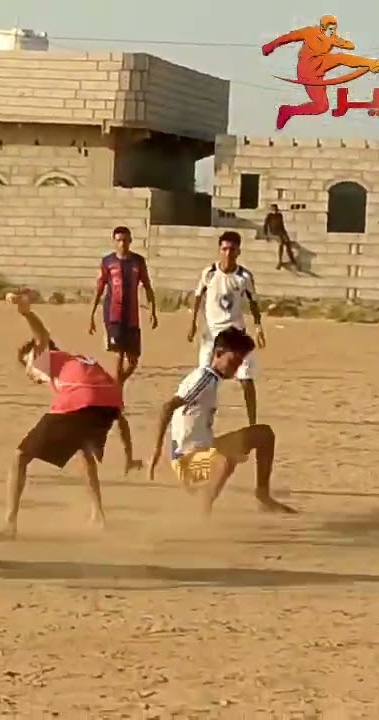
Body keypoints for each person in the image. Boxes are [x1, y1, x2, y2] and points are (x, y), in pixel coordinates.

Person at [4, 292, 138, 539]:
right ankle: (98, 514)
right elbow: (119, 414)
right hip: (109, 402)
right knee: (85, 453)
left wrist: (26, 313)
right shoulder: (75, 361)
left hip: (81, 399)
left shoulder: (47, 359)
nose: (29, 372)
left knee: (19, 456)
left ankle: (10, 523)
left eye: (27, 364)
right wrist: (129, 455)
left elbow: (42, 336)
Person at [146, 327, 295, 517]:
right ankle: (202, 513)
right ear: (218, 354)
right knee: (225, 460)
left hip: (205, 450)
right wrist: (156, 452)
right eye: (233, 362)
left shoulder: (212, 379)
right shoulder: (204, 378)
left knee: (263, 434)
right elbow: (167, 407)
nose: (236, 369)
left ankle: (263, 496)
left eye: (239, 364)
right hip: (188, 462)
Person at [187, 231, 267, 425]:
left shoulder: (244, 277)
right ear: (219, 250)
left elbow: (253, 302)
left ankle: (252, 423)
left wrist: (258, 327)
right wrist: (192, 323)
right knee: (205, 379)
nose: (228, 253)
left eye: (232, 249)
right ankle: (201, 420)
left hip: (236, 335)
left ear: (238, 251)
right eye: (224, 249)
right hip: (213, 335)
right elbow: (198, 296)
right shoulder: (209, 273)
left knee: (246, 379)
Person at [88, 225, 157, 387]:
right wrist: (91, 316)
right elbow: (99, 288)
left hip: (132, 315)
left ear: (131, 241)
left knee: (133, 360)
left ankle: (115, 386)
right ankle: (116, 396)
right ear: (114, 241)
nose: (122, 244)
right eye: (119, 240)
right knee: (118, 355)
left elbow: (147, 286)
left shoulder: (138, 262)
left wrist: (153, 311)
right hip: (114, 315)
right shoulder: (108, 262)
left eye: (125, 240)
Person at [263, 205, 298, 270]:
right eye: (273, 209)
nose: (275, 211)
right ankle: (280, 261)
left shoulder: (279, 215)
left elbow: (282, 225)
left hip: (281, 232)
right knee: (281, 243)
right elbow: (265, 225)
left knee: (287, 243)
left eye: (276, 209)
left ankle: (292, 259)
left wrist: (285, 233)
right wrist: (266, 235)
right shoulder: (269, 216)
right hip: (274, 232)